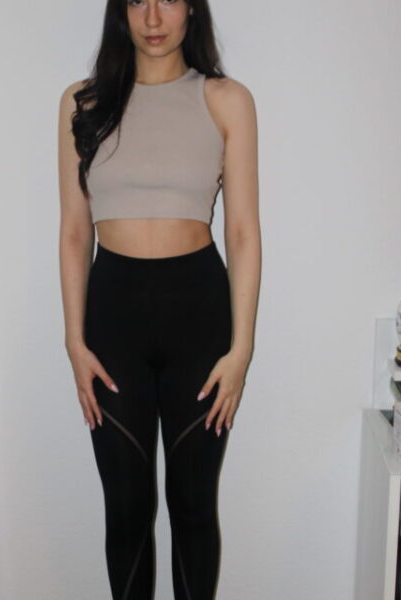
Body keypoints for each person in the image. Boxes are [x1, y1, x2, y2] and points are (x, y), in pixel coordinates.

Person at [58, 0, 260, 597]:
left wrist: (241, 351)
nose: (152, 17)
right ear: (119, 11)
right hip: (111, 319)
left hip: (199, 317)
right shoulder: (83, 103)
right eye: (137, 0)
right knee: (125, 508)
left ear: (191, 9)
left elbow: (243, 232)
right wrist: (73, 341)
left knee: (193, 505)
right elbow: (74, 232)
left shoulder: (226, 100)